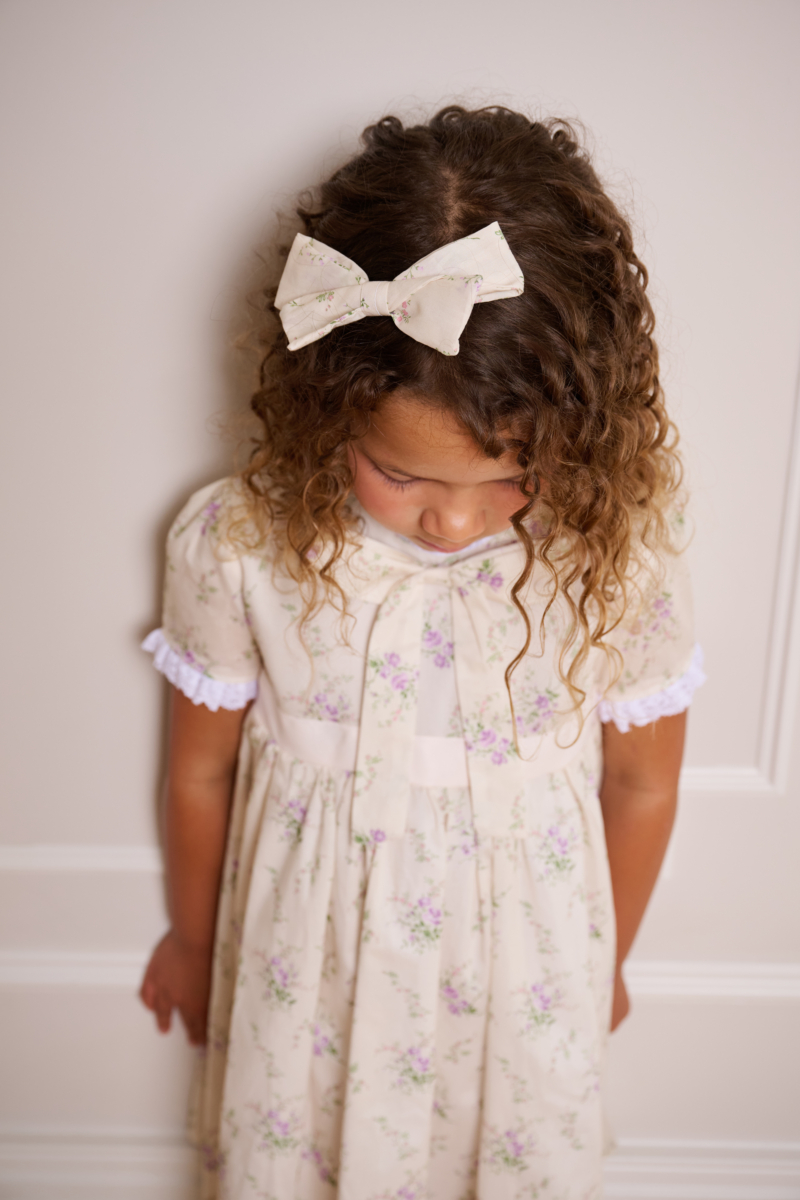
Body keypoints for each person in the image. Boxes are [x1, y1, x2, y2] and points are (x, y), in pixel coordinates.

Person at [139, 105, 704, 1200]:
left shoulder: (618, 554)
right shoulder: (243, 543)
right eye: (401, 477)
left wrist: (604, 963)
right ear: (326, 407)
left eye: (504, 479)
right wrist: (196, 941)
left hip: (521, 971)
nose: (453, 522)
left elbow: (641, 781)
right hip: (309, 973)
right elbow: (199, 767)